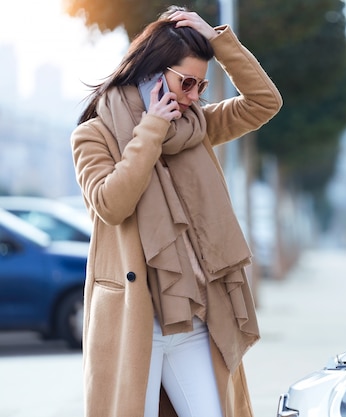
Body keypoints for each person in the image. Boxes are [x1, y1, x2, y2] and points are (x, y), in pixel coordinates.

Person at [70, 5, 282, 417]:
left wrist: (219, 41)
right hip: (134, 324)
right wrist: (150, 129)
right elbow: (111, 204)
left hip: (193, 320)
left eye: (200, 87)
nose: (192, 97)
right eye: (185, 83)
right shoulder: (92, 135)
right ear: (152, 73)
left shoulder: (197, 127)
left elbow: (263, 102)